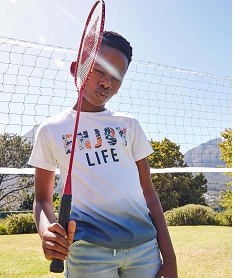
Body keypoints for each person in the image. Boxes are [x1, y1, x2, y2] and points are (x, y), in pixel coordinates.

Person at [29, 31, 178, 278]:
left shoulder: (129, 125)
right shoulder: (50, 130)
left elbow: (149, 193)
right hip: (88, 252)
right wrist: (47, 231)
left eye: (117, 77)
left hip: (144, 249)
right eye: (99, 70)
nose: (107, 83)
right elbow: (42, 200)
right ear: (77, 68)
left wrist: (170, 258)